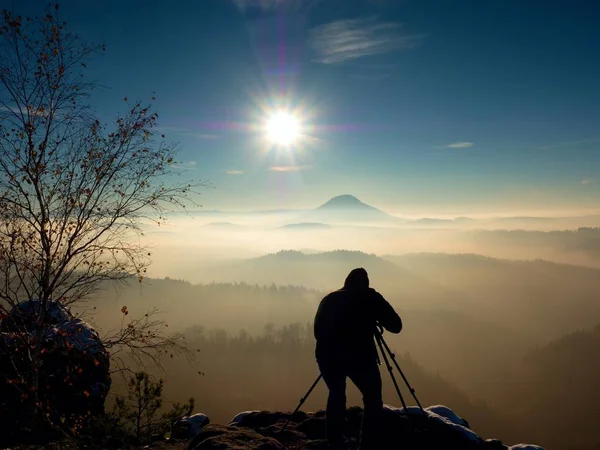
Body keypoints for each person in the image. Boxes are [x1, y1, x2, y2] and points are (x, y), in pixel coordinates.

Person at [314, 268, 402, 450]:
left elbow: (318, 331)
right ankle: (368, 443)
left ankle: (335, 441)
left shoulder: (329, 299)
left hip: (328, 355)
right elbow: (396, 325)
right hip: (360, 356)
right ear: (366, 283)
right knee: (372, 397)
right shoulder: (371, 298)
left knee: (336, 393)